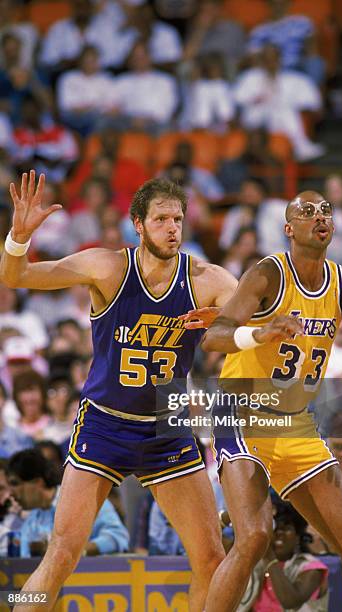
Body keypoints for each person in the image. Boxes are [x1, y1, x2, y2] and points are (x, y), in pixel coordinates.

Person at [0, 170, 237, 610]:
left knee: (210, 558)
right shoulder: (107, 266)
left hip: (166, 424)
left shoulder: (208, 280)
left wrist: (239, 324)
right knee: (62, 554)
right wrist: (17, 238)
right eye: (163, 219)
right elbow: (17, 277)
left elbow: (256, 319)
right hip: (105, 422)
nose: (173, 228)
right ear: (139, 224)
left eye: (179, 219)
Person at [187, 190, 342, 611]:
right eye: (307, 211)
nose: (319, 216)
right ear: (288, 228)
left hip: (295, 423)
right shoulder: (268, 272)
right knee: (253, 538)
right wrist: (261, 332)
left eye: (326, 210)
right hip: (243, 416)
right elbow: (213, 337)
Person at [6, 449, 129, 558]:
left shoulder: (84, 498)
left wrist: (72, 551)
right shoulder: (33, 519)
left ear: (38, 482)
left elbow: (117, 537)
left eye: (15, 484)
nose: (11, 493)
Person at [240, 501, 329, 611]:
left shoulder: (312, 568)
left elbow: (290, 602)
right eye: (275, 528)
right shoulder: (256, 563)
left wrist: (270, 557)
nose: (279, 533)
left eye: (286, 528)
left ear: (297, 536)